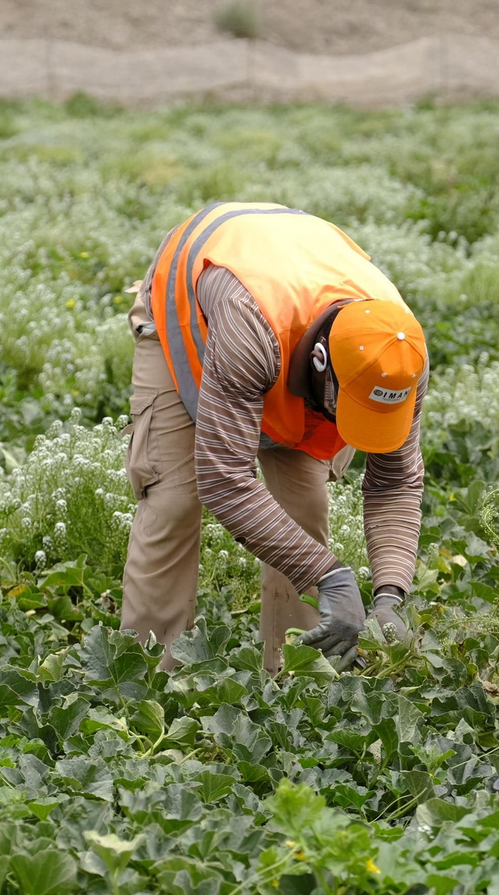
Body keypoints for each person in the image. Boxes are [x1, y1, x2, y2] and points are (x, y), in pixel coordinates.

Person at [123, 202, 425, 673]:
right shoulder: (250, 324)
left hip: (291, 328)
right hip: (191, 318)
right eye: (349, 410)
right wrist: (328, 575)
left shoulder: (398, 353)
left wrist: (391, 592)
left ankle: (296, 675)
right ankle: (141, 677)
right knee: (175, 501)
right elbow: (225, 481)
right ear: (321, 364)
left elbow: (395, 481)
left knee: (304, 508)